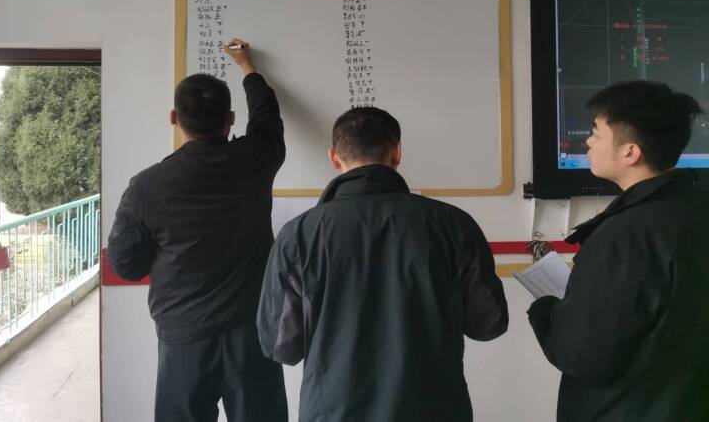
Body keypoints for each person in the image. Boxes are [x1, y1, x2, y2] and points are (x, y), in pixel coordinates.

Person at [257, 106, 508, 422]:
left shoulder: (299, 235)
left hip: (334, 412)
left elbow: (279, 345)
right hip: (433, 409)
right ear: (397, 153)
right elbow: (488, 324)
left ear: (334, 158)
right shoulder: (453, 225)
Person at [107, 38, 288, 422]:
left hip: (183, 339)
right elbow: (267, 119)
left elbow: (125, 265)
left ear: (174, 117)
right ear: (231, 119)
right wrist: (247, 67)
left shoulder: (147, 187)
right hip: (251, 333)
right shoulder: (255, 160)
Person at [527, 80, 709, 421]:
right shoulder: (697, 208)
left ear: (630, 152)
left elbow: (583, 353)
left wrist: (546, 310)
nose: (587, 142)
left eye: (595, 133)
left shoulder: (625, 234)